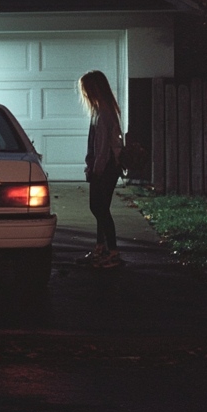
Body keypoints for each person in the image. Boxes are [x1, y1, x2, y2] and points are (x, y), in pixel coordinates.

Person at [76, 69, 125, 269]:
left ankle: (112, 253)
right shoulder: (100, 109)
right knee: (100, 209)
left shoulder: (103, 111)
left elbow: (103, 147)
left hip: (106, 168)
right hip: (104, 167)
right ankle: (100, 248)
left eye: (87, 88)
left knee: (99, 208)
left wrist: (95, 169)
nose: (85, 93)